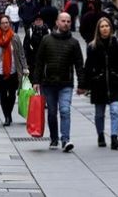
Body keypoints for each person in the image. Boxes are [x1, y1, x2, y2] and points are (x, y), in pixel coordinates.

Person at [32, 12, 85, 152]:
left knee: (65, 110)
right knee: (51, 113)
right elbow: (39, 61)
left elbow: (79, 64)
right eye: (63, 21)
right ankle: (54, 138)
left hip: (66, 83)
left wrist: (82, 84)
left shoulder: (74, 43)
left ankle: (65, 139)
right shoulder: (46, 40)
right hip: (48, 83)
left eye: (68, 21)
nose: (66, 23)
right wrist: (36, 81)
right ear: (57, 22)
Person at [84, 17, 118, 149]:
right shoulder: (92, 47)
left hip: (115, 83)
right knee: (99, 113)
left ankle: (114, 137)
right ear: (98, 30)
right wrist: (85, 84)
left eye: (107, 26)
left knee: (115, 111)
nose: (105, 28)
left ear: (111, 28)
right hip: (99, 84)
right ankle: (100, 135)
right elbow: (88, 67)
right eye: (102, 26)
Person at [0, 15, 29, 126]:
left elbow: (21, 54)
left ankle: (8, 113)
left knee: (12, 95)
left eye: (7, 22)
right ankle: (7, 117)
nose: (6, 25)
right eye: (3, 23)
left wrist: (25, 67)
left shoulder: (15, 37)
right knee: (3, 95)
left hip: (13, 71)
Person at [23, 14, 49, 79]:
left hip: (44, 61)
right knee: (32, 79)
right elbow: (25, 47)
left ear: (43, 21)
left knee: (43, 80)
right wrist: (26, 63)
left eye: (40, 20)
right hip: (32, 60)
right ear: (34, 21)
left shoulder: (48, 31)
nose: (38, 21)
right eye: (36, 20)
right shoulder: (29, 32)